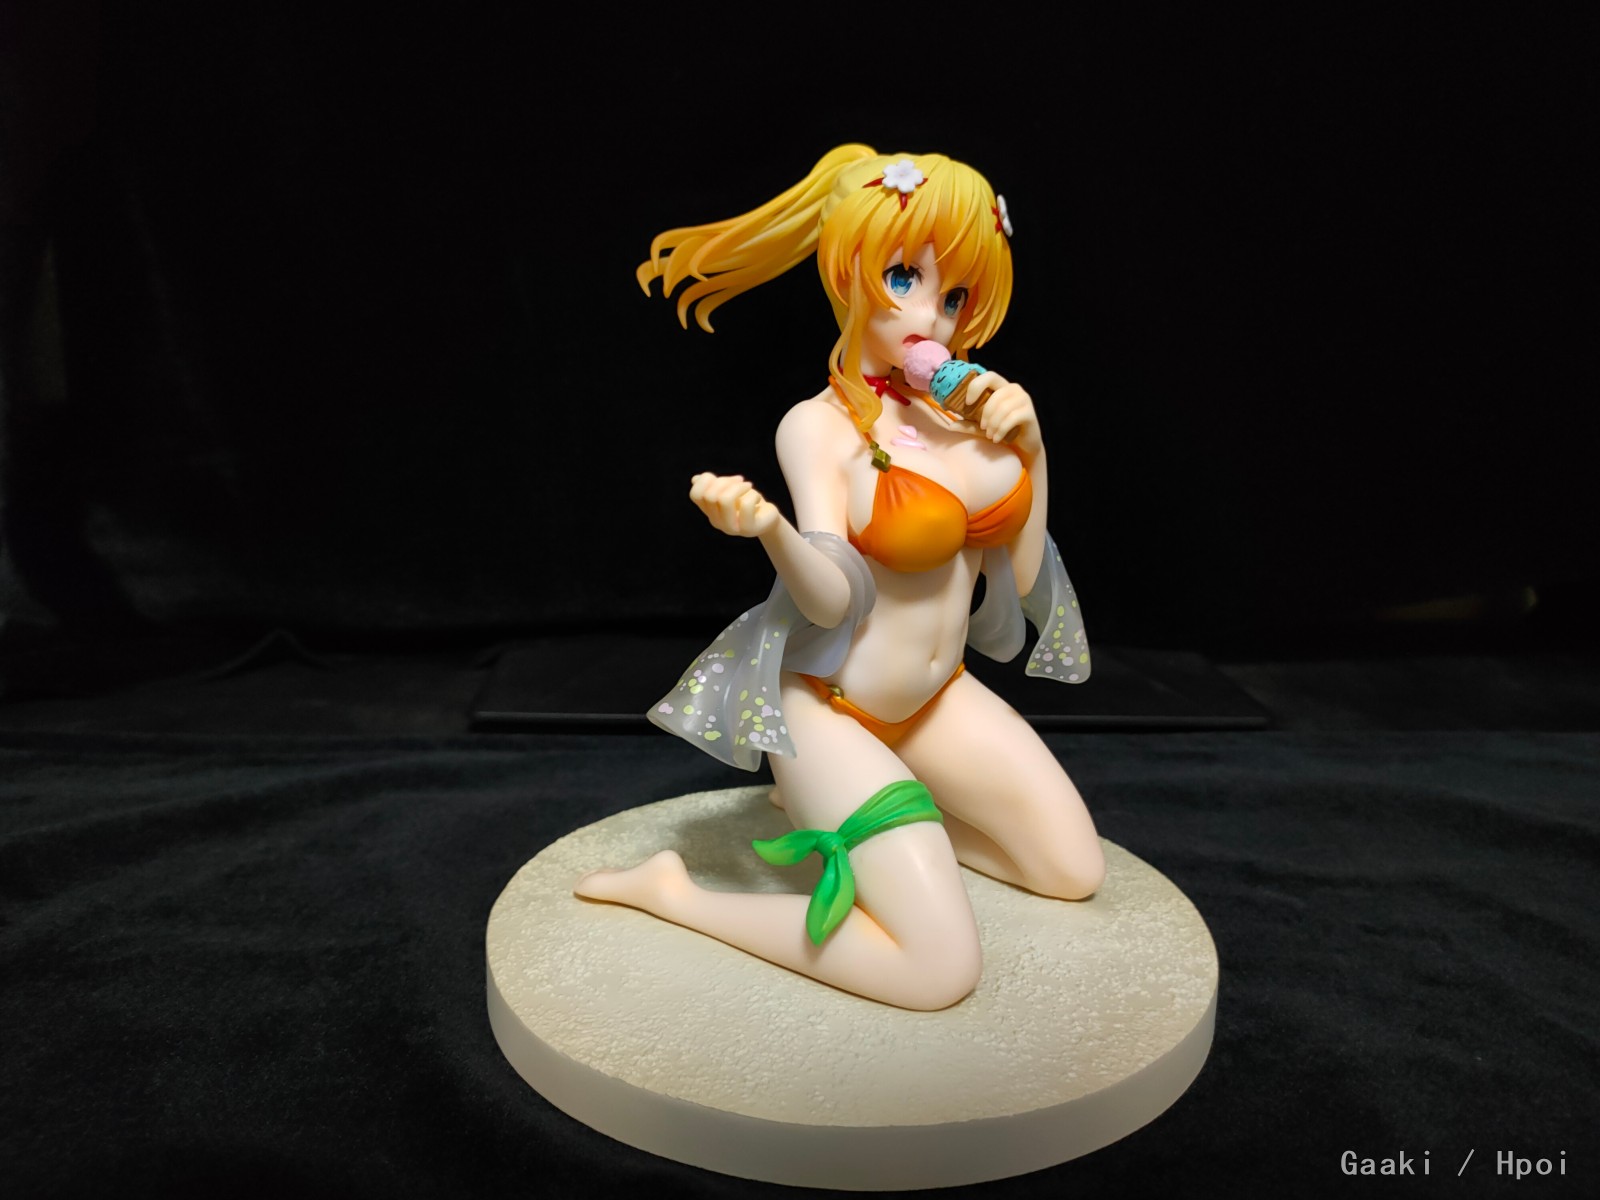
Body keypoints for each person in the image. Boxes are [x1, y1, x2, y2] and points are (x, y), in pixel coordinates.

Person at [575, 145, 1103, 1011]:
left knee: (1070, 871)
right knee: (937, 972)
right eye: (905, 279)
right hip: (830, 708)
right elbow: (830, 600)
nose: (933, 316)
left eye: (955, 295)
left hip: (935, 701)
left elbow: (1018, 572)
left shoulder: (968, 416)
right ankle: (674, 892)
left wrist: (1032, 448)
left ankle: (880, 826)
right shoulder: (816, 429)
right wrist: (772, 532)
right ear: (849, 272)